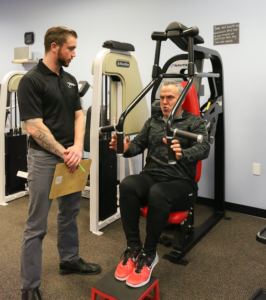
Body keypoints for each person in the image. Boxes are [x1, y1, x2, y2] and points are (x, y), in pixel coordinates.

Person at [18, 26, 101, 300]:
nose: (74, 53)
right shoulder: (31, 81)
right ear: (54, 46)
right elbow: (33, 126)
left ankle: (69, 260)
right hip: (44, 158)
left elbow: (79, 115)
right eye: (71, 48)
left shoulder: (69, 79)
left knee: (70, 214)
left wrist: (77, 147)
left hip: (71, 157)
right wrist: (63, 151)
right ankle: (29, 287)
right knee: (36, 225)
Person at [109, 80, 210, 288]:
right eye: (162, 98)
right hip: (153, 176)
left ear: (180, 99)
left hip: (181, 184)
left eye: (169, 97)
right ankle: (134, 248)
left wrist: (184, 153)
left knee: (158, 192)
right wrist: (126, 147)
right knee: (127, 185)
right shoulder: (153, 121)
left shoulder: (194, 122)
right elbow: (137, 145)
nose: (164, 102)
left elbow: (205, 148)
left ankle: (149, 253)